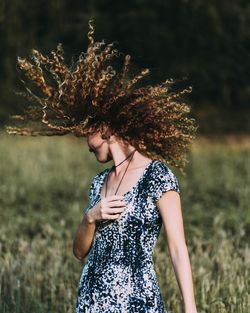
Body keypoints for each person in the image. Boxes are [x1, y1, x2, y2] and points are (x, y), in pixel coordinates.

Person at [6, 18, 198, 313]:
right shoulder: (99, 182)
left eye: (88, 130)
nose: (84, 139)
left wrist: (190, 309)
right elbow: (79, 252)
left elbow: (177, 248)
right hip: (92, 301)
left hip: (137, 302)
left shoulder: (157, 176)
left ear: (106, 128)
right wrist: (90, 217)